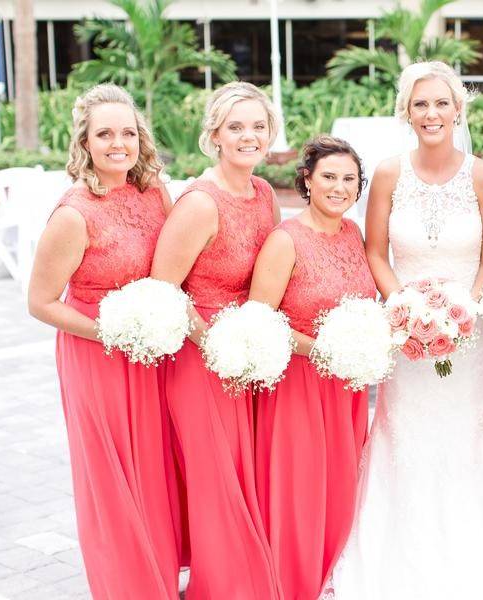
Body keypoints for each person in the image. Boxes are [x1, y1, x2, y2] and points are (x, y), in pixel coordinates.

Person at [327, 61, 483, 599]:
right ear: (407, 110)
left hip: (471, 336)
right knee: (405, 433)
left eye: (441, 103)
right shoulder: (386, 173)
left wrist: (461, 312)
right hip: (405, 336)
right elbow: (375, 251)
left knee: (468, 435)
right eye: (420, 103)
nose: (431, 113)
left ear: (458, 109)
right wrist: (403, 306)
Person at [27, 84, 179, 598]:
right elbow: (41, 302)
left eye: (128, 132)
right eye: (105, 133)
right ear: (85, 143)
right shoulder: (73, 213)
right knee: (114, 476)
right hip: (98, 352)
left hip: (154, 350)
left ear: (142, 139)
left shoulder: (156, 192)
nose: (119, 142)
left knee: (156, 465)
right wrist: (114, 332)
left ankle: (161, 574)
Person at [150, 81, 282, 599]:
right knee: (215, 476)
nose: (248, 136)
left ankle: (245, 573)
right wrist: (214, 342)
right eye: (236, 127)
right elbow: (164, 287)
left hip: (250, 354)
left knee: (245, 470)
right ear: (215, 136)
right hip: (200, 357)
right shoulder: (200, 204)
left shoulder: (265, 193)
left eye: (257, 126)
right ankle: (220, 587)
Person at [249, 136, 376, 600]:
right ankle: (294, 584)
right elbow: (260, 318)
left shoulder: (353, 234)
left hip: (348, 383)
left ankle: (329, 577)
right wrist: (321, 350)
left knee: (341, 488)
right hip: (300, 383)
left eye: (349, 179)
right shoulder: (286, 240)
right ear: (306, 180)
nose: (339, 187)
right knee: (301, 491)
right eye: (329, 177)